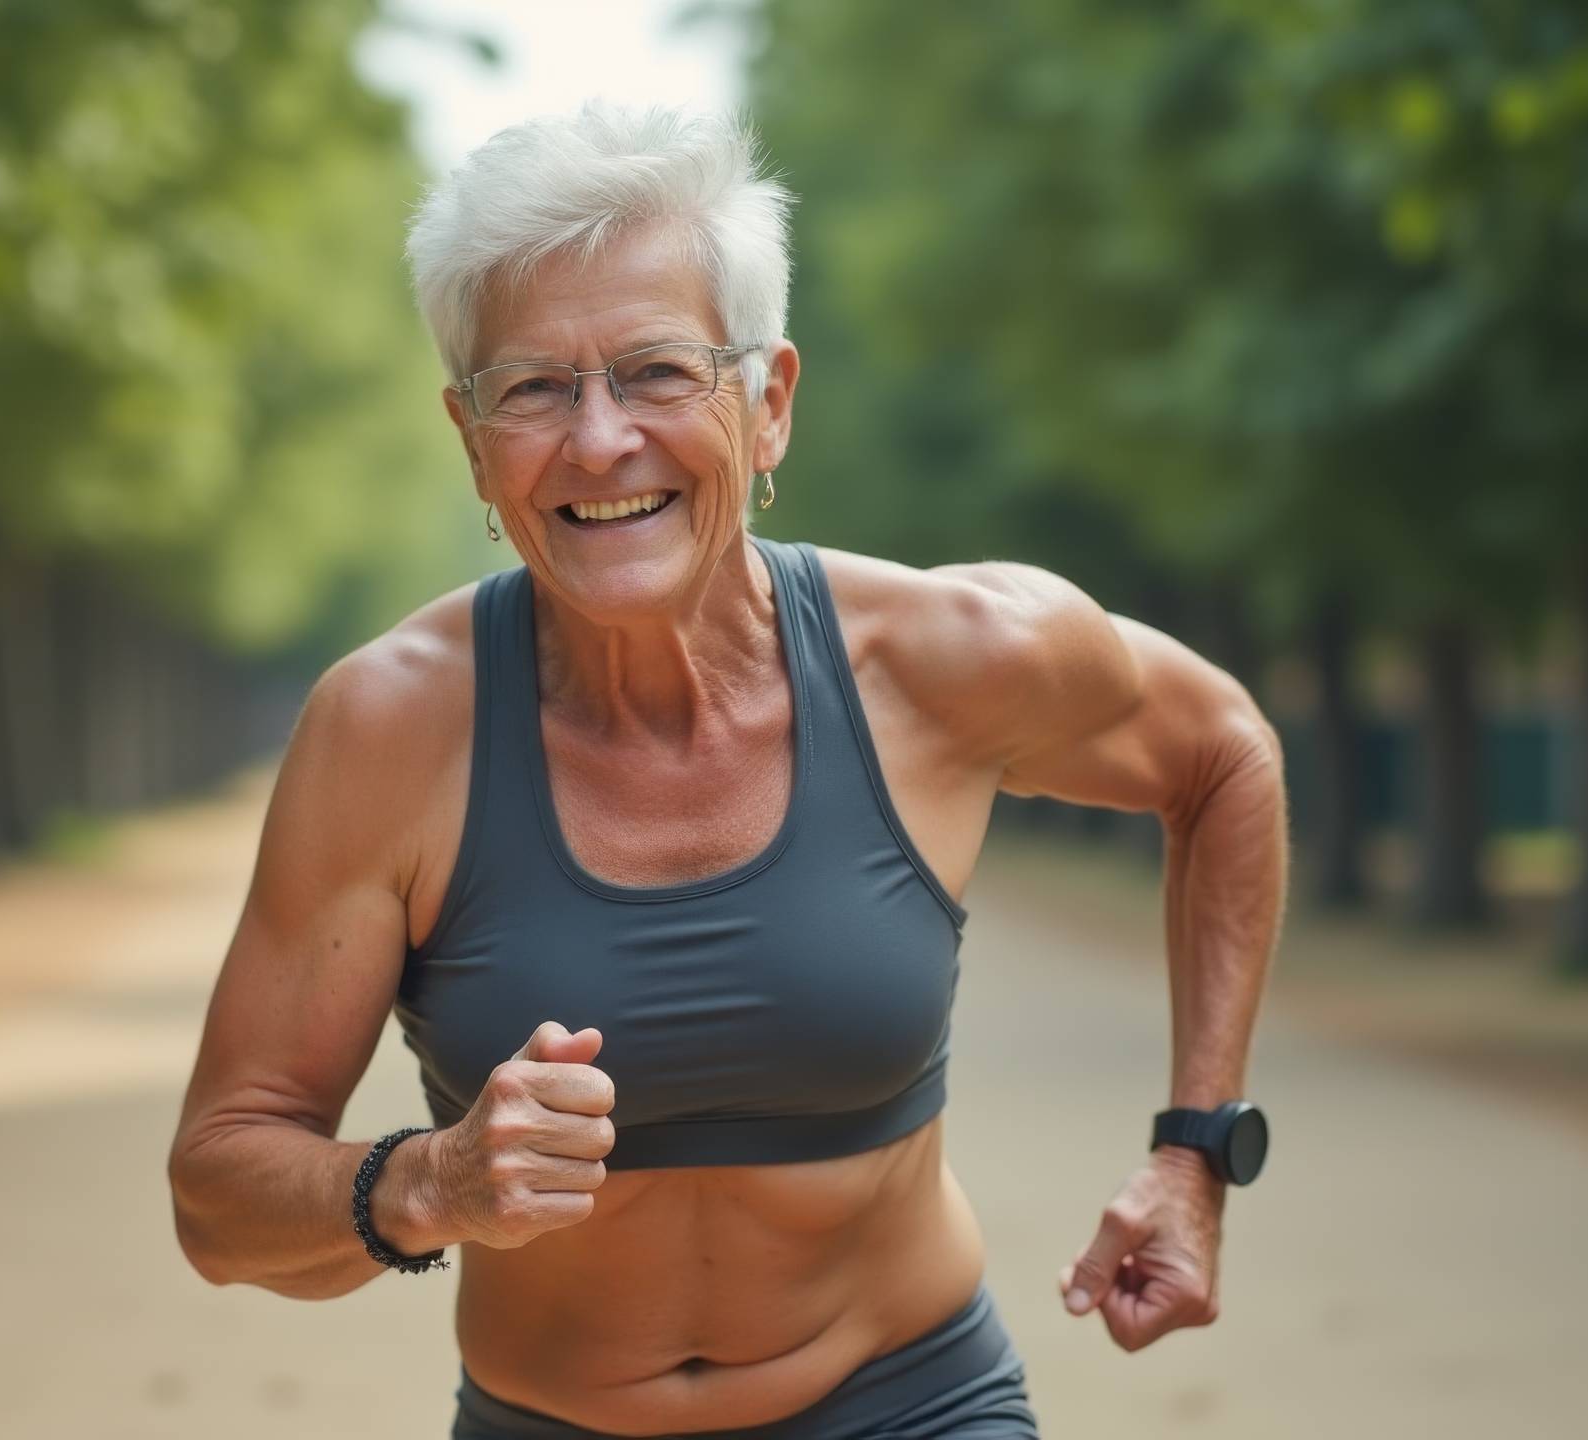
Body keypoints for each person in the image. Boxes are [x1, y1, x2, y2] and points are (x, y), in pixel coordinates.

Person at [168, 100, 1289, 1440]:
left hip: (915, 1405)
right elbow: (219, 1201)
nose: (597, 441)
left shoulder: (948, 660)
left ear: (768, 405)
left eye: (655, 372)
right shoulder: (389, 732)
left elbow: (1223, 754)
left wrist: (1195, 1153)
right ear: (472, 441)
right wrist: (432, 1184)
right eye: (534, 387)